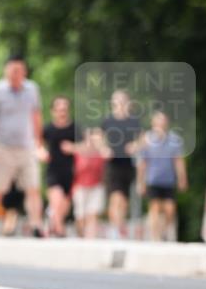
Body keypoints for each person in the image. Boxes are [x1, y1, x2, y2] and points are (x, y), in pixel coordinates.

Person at [0, 55, 44, 238]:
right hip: (3, 146)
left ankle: (36, 225)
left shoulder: (32, 90)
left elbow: (36, 115)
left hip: (26, 146)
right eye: (13, 70)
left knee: (32, 187)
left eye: (20, 70)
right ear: (6, 70)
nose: (17, 74)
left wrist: (38, 142)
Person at [136, 110, 188, 241]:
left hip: (168, 180)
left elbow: (179, 161)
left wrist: (182, 178)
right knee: (155, 207)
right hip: (153, 179)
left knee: (170, 210)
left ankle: (163, 231)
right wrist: (140, 182)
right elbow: (142, 164)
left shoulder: (174, 140)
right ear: (153, 123)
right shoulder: (147, 141)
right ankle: (155, 237)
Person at [101, 89, 141, 238]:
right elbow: (98, 137)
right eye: (117, 101)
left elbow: (142, 139)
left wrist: (135, 146)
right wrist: (104, 149)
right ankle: (115, 230)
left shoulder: (133, 121)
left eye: (123, 101)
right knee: (115, 196)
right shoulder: (108, 120)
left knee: (124, 200)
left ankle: (119, 225)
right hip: (113, 163)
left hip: (127, 164)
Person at [42, 96, 79, 237]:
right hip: (53, 170)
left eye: (64, 109)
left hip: (70, 172)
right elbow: (36, 144)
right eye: (59, 109)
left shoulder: (75, 128)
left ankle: (53, 221)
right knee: (56, 199)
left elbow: (88, 146)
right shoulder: (47, 129)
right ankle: (59, 230)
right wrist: (41, 152)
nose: (62, 112)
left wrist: (73, 147)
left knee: (64, 205)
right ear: (53, 111)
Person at [70, 128, 111, 238]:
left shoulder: (100, 151)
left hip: (96, 186)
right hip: (80, 186)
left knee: (93, 213)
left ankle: (90, 238)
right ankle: (81, 236)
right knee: (80, 215)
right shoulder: (79, 150)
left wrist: (99, 145)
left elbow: (108, 154)